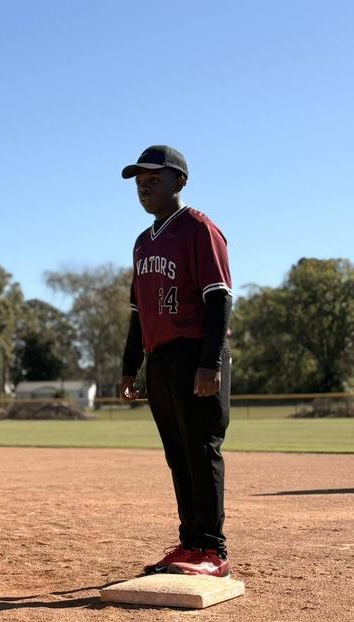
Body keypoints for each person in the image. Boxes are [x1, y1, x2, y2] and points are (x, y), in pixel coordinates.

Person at [119, 145, 233, 577]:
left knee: (202, 449)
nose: (144, 190)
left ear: (179, 182)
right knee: (178, 454)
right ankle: (190, 543)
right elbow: (137, 313)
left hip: (196, 354)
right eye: (140, 184)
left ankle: (213, 551)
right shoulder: (143, 242)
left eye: (154, 181)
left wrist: (211, 362)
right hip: (161, 357)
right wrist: (131, 367)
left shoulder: (198, 228)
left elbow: (219, 298)